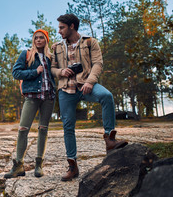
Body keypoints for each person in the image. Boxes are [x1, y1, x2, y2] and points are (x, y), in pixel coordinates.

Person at [51, 14, 128, 181]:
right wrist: (60, 72)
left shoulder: (90, 42)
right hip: (66, 89)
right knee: (68, 126)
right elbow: (53, 68)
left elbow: (98, 64)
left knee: (106, 96)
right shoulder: (56, 47)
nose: (59, 31)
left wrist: (90, 82)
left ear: (72, 26)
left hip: (86, 85)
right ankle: (72, 166)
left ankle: (110, 139)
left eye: (62, 27)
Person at [4, 29, 56, 178]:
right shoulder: (26, 54)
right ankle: (18, 165)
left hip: (48, 97)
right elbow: (16, 73)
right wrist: (35, 72)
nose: (38, 40)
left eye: (41, 38)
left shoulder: (51, 57)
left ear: (46, 40)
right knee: (22, 128)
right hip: (31, 96)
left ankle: (39, 164)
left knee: (43, 129)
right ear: (33, 40)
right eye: (36, 38)